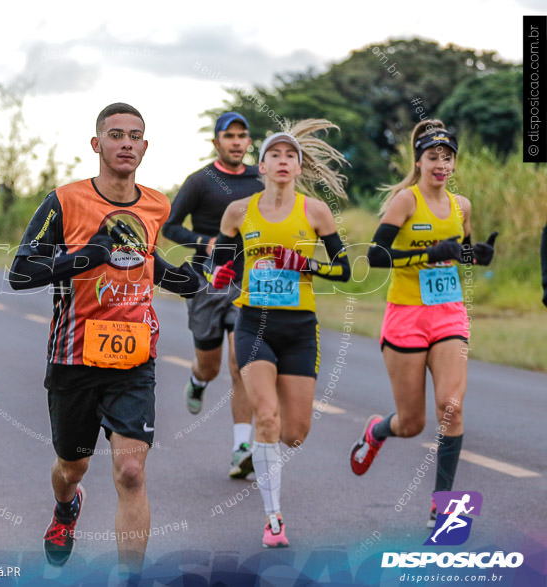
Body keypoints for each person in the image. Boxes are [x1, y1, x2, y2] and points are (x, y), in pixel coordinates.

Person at [9, 103, 197, 575]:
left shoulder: (156, 204)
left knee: (132, 473)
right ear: (97, 144)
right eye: (116, 135)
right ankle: (66, 507)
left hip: (135, 358)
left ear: (146, 147)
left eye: (135, 136)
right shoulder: (65, 201)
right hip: (74, 357)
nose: (127, 143)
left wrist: (192, 281)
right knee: (71, 469)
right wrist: (83, 258)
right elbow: (20, 273)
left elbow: (147, 263)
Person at [207, 119, 351, 547]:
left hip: (300, 330)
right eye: (275, 154)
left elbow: (344, 270)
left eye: (291, 155)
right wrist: (219, 274)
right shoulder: (239, 212)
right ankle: (274, 519)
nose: (283, 161)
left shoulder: (315, 212)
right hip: (254, 324)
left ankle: (265, 450)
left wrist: (306, 265)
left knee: (294, 432)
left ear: (300, 167)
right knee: (266, 416)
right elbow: (220, 267)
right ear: (262, 166)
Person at [349, 120, 497, 529]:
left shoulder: (461, 205)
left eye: (448, 158)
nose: (441, 164)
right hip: (407, 315)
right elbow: (376, 257)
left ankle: (443, 503)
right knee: (411, 423)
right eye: (433, 157)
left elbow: (459, 250)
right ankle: (378, 431)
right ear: (419, 161)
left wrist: (477, 254)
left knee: (451, 407)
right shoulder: (405, 202)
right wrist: (428, 256)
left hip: (448, 313)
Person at [162, 111, 264, 479]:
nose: (236, 142)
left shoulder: (261, 179)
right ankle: (198, 379)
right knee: (212, 364)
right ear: (216, 142)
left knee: (242, 365)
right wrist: (203, 242)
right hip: (207, 283)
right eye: (229, 136)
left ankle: (241, 449)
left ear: (249, 142)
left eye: (242, 135)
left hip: (248, 283)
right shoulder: (200, 181)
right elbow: (169, 225)